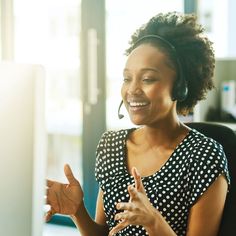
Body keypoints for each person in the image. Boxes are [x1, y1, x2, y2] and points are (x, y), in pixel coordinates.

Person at [45, 12, 230, 236]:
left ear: (180, 86)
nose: (132, 90)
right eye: (127, 78)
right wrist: (77, 211)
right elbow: (104, 233)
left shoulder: (204, 156)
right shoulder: (111, 146)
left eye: (147, 79)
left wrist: (154, 223)